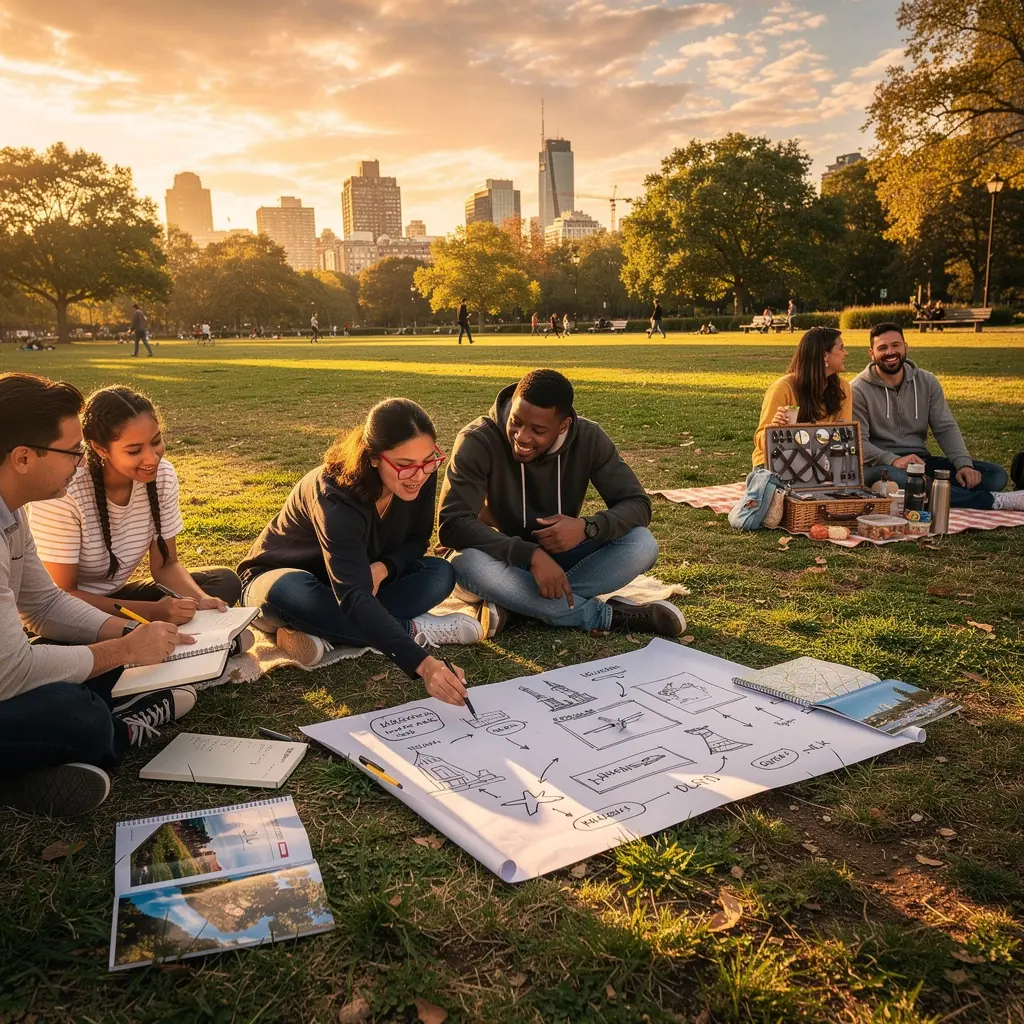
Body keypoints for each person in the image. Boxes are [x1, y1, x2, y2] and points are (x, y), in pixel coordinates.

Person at [0, 373, 199, 816]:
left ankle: (25, 776)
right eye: (72, 452)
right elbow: (10, 672)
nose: (79, 462)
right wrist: (122, 649)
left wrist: (133, 634)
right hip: (5, 674)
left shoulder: (12, 512)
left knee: (87, 671)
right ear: (23, 458)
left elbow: (45, 604)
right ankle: (121, 728)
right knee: (76, 713)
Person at [238, 399, 481, 701]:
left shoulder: (420, 475)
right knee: (292, 592)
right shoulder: (334, 493)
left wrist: (384, 568)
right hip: (282, 580)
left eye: (429, 461)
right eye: (404, 466)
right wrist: (425, 665)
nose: (419, 475)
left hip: (362, 580)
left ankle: (321, 633)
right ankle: (411, 629)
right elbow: (352, 597)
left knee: (440, 573)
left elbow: (417, 542)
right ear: (374, 457)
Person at [439, 369, 687, 639]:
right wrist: (530, 555)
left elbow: (638, 504)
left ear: (564, 426)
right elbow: (453, 524)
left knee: (642, 544)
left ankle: (517, 605)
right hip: (497, 560)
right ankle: (605, 616)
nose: (522, 436)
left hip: (561, 560)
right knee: (465, 563)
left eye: (538, 430)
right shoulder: (478, 439)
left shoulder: (589, 438)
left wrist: (588, 527)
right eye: (516, 421)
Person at [29, 386, 242, 625]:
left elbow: (166, 565)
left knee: (223, 582)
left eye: (156, 441)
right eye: (134, 450)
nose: (152, 458)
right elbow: (62, 595)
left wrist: (201, 600)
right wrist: (152, 613)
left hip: (118, 598)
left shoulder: (162, 476)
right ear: (100, 449)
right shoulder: (65, 491)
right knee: (73, 649)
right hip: (66, 608)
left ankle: (145, 629)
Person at [853, 323, 1024, 510]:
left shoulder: (927, 382)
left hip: (920, 461)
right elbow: (859, 443)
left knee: (994, 475)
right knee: (903, 480)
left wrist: (963, 465)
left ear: (905, 347)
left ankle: (936, 490)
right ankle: (994, 501)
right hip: (881, 465)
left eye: (895, 345)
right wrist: (893, 459)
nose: (890, 352)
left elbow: (945, 428)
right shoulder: (858, 390)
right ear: (872, 354)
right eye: (882, 348)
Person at [752, 326, 852, 468]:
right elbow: (760, 439)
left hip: (822, 461)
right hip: (777, 461)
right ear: (824, 355)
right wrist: (774, 431)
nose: (846, 353)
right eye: (841, 348)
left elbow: (845, 434)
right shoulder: (783, 388)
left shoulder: (842, 388)